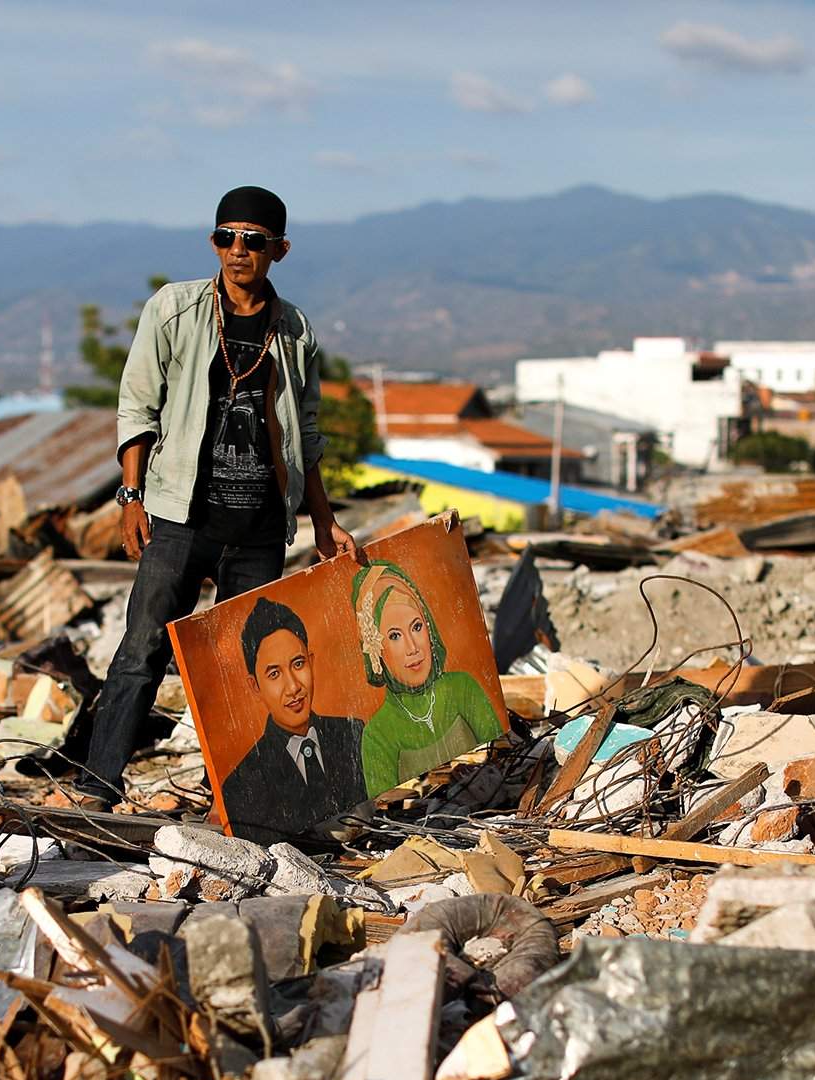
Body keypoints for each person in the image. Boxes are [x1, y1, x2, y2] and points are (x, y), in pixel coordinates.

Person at [73, 185, 357, 807]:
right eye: (226, 237)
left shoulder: (296, 330)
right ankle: (96, 785)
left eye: (253, 241)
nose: (238, 251)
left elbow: (305, 437)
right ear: (213, 243)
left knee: (244, 667)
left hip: (257, 529)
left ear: (278, 250)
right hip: (180, 518)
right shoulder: (174, 311)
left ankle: (237, 794)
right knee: (143, 648)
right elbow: (137, 404)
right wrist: (131, 494)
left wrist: (325, 523)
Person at [220, 597, 367, 840]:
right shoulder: (243, 782)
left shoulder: (353, 734)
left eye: (298, 664)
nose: (293, 687)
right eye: (274, 673)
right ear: (255, 686)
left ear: (312, 662)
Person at [351, 560, 501, 797]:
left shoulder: (463, 688)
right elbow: (384, 809)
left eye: (417, 626)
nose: (412, 647)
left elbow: (501, 756)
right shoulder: (377, 734)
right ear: (376, 648)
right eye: (395, 636)